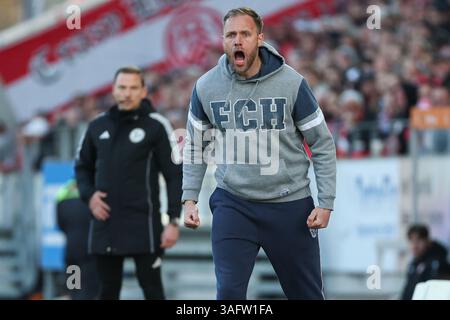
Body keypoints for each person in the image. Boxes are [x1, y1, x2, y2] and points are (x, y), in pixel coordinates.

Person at [182, 7, 336, 300]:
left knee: (307, 295)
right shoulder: (205, 86)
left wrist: (326, 202)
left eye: (245, 34)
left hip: (289, 205)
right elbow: (194, 145)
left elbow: (321, 144)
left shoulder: (292, 83)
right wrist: (189, 198)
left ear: (259, 39)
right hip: (233, 203)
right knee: (228, 294)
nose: (237, 41)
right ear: (222, 40)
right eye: (231, 35)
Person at [75, 66, 182, 300]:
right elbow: (81, 168)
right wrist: (89, 196)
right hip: (106, 222)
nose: (127, 93)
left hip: (144, 225)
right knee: (107, 291)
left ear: (144, 91)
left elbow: (174, 174)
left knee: (152, 290)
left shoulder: (156, 125)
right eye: (122, 87)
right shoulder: (97, 126)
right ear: (113, 91)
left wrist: (173, 219)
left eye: (134, 88)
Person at [56, 179, 99, 300]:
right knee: (89, 290)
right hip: (90, 249)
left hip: (71, 250)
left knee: (74, 288)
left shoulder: (63, 193)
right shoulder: (92, 193)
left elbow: (60, 224)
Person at [401, 224, 450, 300]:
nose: (414, 245)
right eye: (411, 241)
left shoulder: (437, 263)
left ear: (427, 241)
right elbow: (408, 291)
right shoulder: (413, 264)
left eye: (418, 241)